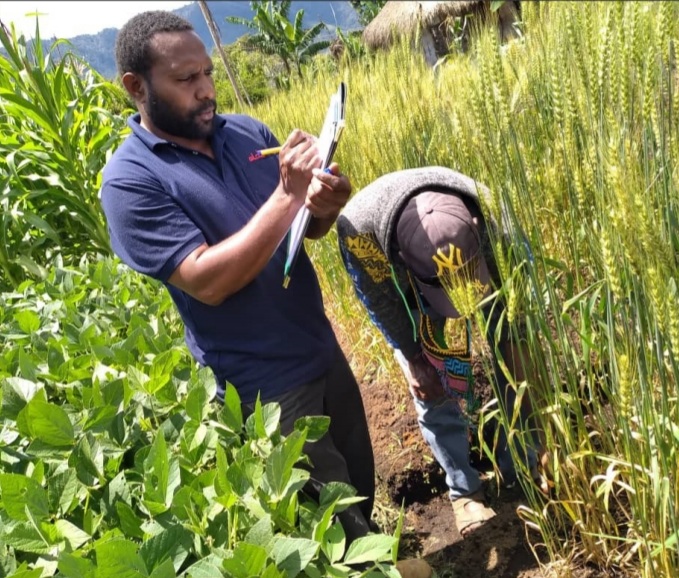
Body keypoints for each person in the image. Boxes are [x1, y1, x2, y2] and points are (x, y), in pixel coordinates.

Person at [99, 11, 432, 578]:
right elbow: (208, 280)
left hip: (319, 348)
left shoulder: (246, 132)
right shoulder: (130, 182)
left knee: (356, 480)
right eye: (185, 80)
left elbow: (303, 227)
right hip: (264, 388)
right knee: (332, 523)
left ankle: (379, 553)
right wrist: (287, 197)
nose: (206, 90)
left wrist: (322, 205)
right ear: (136, 87)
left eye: (206, 72)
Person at [337, 166, 542, 538]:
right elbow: (381, 302)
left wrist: (537, 427)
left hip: (489, 266)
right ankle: (465, 490)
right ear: (400, 257)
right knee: (429, 381)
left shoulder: (495, 220)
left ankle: (523, 461)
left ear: (477, 227)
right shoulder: (359, 232)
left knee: (514, 356)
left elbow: (518, 326)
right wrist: (414, 359)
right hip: (406, 288)